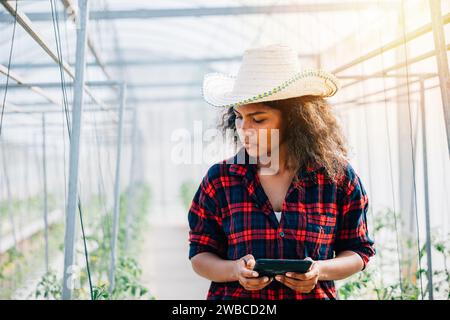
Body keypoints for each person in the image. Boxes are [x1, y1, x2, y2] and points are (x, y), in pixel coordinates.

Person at [187, 44, 375, 300]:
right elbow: (200, 254)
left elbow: (358, 250)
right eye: (239, 117)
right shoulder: (220, 179)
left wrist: (319, 270)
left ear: (295, 119)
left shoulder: (336, 178)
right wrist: (235, 270)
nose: (244, 129)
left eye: (259, 119)